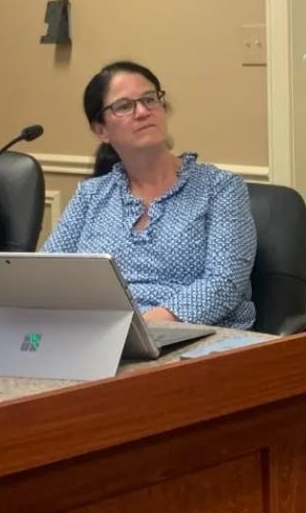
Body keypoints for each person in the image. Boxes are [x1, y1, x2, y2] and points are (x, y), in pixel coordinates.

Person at [43, 61, 256, 329]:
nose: (142, 111)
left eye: (149, 99)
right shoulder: (91, 194)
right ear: (101, 130)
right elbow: (48, 273)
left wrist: (138, 328)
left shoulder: (220, 187)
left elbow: (224, 283)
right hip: (101, 337)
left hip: (197, 339)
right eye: (124, 106)